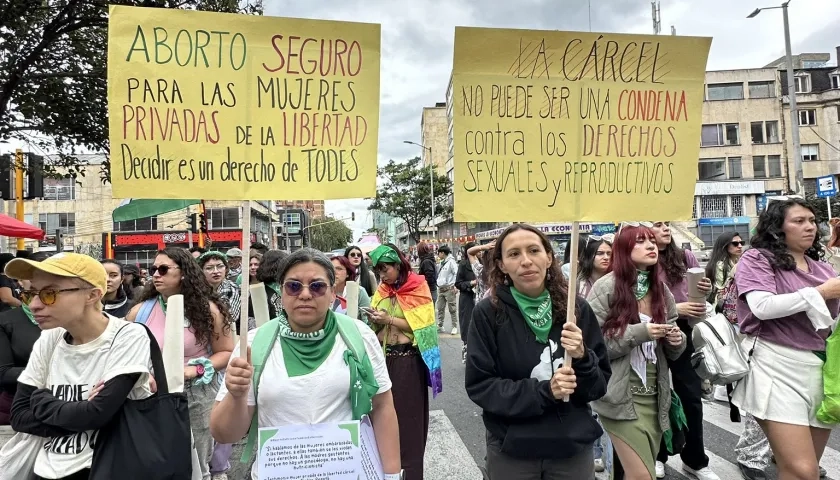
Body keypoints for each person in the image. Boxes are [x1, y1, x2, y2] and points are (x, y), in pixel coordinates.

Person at [209, 248, 403, 480]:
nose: (305, 294)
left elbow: (382, 407)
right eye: (293, 286)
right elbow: (224, 433)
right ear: (281, 292)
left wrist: (392, 475)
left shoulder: (358, 336)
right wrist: (236, 395)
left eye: (317, 286)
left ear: (333, 293)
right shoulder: (253, 344)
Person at [465, 224, 610, 480]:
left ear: (549, 257)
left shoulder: (575, 309)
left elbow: (598, 387)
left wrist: (583, 357)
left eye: (534, 250)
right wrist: (544, 392)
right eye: (514, 254)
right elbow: (481, 386)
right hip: (512, 450)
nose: (526, 261)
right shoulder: (488, 313)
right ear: (501, 265)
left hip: (571, 450)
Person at [8, 253, 154, 480]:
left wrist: (42, 401)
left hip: (107, 467)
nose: (34, 305)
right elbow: (18, 417)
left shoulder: (128, 336)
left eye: (49, 293)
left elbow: (97, 414)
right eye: (30, 294)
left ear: (93, 295)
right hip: (47, 469)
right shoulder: (50, 339)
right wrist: (83, 412)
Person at [732, 197, 840, 480]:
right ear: (777, 227)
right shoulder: (756, 259)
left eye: (812, 221)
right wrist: (820, 294)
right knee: (802, 469)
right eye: (799, 221)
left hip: (819, 369)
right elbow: (762, 307)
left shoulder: (824, 269)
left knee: (803, 470)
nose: (809, 227)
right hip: (775, 364)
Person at [126, 247, 234, 480]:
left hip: (195, 395)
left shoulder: (209, 310)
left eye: (163, 269)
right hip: (151, 394)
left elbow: (226, 351)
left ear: (184, 273)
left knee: (196, 462)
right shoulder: (139, 312)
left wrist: (193, 369)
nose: (156, 274)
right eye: (153, 269)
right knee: (156, 459)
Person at [588, 224, 686, 480]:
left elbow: (673, 348)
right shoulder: (605, 287)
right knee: (642, 475)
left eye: (652, 241)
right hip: (620, 397)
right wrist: (641, 332)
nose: (651, 246)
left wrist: (676, 339)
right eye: (641, 242)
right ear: (623, 249)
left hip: (656, 396)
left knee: (641, 473)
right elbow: (593, 345)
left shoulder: (662, 291)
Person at [649, 221, 718, 480]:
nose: (665, 229)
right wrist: (677, 308)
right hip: (652, 331)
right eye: (658, 224)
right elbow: (635, 305)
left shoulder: (684, 256)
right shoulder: (636, 261)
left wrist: (704, 290)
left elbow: (698, 294)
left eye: (667, 224)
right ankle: (658, 454)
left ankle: (696, 460)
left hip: (684, 331)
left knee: (691, 396)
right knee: (655, 395)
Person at [368, 243, 443, 480]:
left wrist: (389, 319)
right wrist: (374, 320)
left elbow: (423, 326)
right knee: (380, 419)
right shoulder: (382, 289)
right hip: (382, 361)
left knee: (408, 423)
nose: (382, 275)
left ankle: (410, 474)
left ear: (398, 264)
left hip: (407, 362)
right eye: (378, 270)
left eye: (385, 269)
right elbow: (376, 325)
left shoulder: (417, 286)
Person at [0, 253, 52, 426]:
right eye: (32, 275)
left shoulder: (73, 319)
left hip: (72, 410)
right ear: (20, 282)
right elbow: (3, 373)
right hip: (18, 412)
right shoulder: (6, 322)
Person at [198, 251, 241, 332]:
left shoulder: (233, 288)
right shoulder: (195, 289)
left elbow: (232, 318)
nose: (216, 271)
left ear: (226, 268)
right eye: (209, 268)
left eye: (220, 266)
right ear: (201, 271)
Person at [455, 242, 477, 364]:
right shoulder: (463, 265)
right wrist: (471, 283)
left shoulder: (481, 264)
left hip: (480, 297)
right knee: (467, 324)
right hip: (467, 298)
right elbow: (458, 283)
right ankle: (466, 349)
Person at [331, 255, 371, 320]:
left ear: (348, 273)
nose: (334, 272)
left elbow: (367, 321)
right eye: (331, 268)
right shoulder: (321, 291)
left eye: (339, 269)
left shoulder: (359, 292)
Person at [435, 245, 458, 335]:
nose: (438, 255)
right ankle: (440, 325)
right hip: (441, 289)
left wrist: (455, 285)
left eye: (439, 253)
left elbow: (456, 273)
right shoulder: (441, 262)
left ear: (442, 253)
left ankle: (454, 326)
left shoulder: (451, 262)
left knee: (452, 308)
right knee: (440, 308)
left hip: (449, 288)